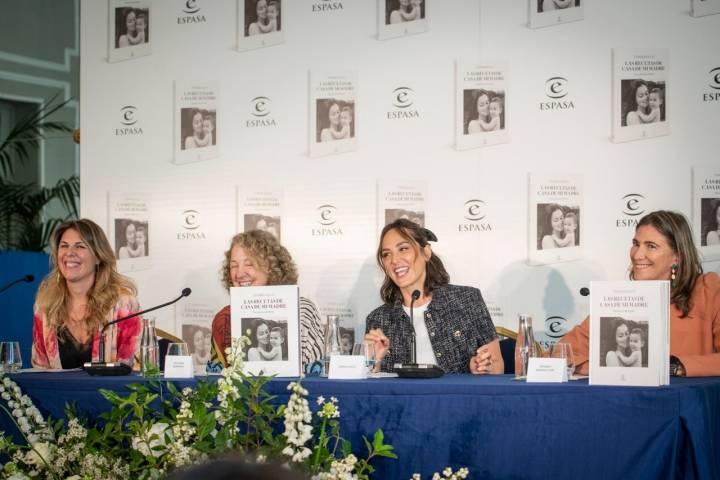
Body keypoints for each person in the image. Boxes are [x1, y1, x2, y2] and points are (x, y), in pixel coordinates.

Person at [559, 210, 720, 377]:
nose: (637, 254)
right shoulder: (620, 299)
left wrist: (675, 367)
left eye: (651, 246)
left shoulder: (707, 290)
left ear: (676, 257)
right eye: (636, 243)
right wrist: (598, 368)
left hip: (689, 401)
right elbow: (559, 353)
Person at [364, 219, 503, 374]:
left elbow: (497, 365)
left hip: (455, 398)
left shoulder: (468, 300)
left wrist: (483, 367)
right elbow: (370, 386)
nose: (394, 260)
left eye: (403, 248)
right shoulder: (378, 319)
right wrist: (373, 362)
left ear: (426, 252)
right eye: (386, 254)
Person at [32, 219, 141, 369]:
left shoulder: (123, 306)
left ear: (98, 257)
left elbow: (134, 368)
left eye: (80, 246)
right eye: (64, 246)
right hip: (57, 393)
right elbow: (39, 368)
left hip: (111, 392)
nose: (69, 253)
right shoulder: (45, 305)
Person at [211, 230, 323, 369]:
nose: (239, 274)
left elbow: (315, 374)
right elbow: (216, 380)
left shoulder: (301, 310)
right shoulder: (224, 319)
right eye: (234, 266)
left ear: (272, 266)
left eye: (249, 264)